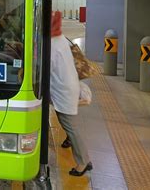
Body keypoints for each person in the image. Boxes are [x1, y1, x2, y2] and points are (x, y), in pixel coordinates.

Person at [50, 11, 92, 176]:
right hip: (66, 87)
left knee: (71, 127)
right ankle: (70, 141)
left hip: (64, 90)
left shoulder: (53, 42)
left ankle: (83, 162)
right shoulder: (59, 38)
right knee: (65, 121)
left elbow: (48, 67)